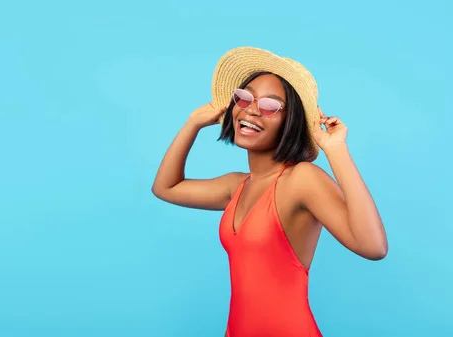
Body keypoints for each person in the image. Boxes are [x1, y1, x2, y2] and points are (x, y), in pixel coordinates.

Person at [151, 47, 388, 337]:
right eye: (245, 97)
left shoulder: (301, 180)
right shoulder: (236, 186)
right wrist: (193, 123)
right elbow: (166, 187)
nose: (250, 109)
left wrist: (336, 150)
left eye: (269, 106)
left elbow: (374, 247)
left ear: (291, 121)